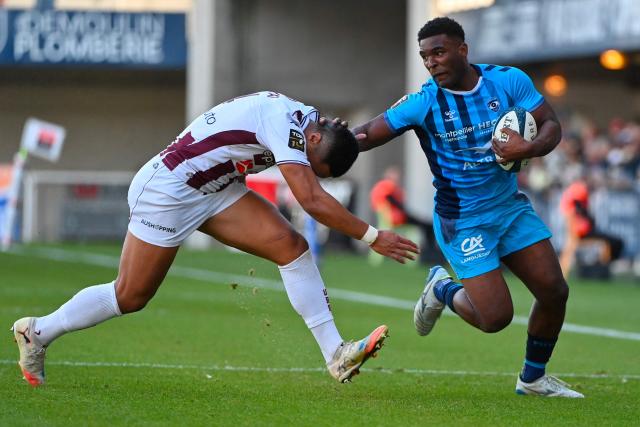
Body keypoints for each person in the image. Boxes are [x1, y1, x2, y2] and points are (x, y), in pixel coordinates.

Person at [11, 91, 419, 386]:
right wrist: (372, 235)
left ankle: (335, 354)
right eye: (315, 166)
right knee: (131, 296)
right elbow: (310, 199)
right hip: (169, 192)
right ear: (312, 142)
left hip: (216, 189)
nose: (309, 171)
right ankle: (38, 331)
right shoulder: (286, 124)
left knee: (292, 248)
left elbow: (342, 139)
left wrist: (362, 136)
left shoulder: (309, 124)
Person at [352, 17, 583, 397]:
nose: (432, 62)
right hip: (464, 221)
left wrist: (530, 148)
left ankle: (533, 379)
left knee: (554, 291)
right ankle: (442, 288)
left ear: (463, 49)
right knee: (495, 319)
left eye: (439, 52)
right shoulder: (424, 102)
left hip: (509, 208)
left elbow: (550, 125)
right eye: (425, 56)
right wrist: (322, 140)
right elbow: (366, 134)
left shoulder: (507, 80)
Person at [559, 179, 624, 278]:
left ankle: (602, 267)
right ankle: (603, 268)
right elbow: (577, 222)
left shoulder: (571, 203)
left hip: (582, 232)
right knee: (613, 241)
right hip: (582, 233)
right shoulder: (576, 202)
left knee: (611, 241)